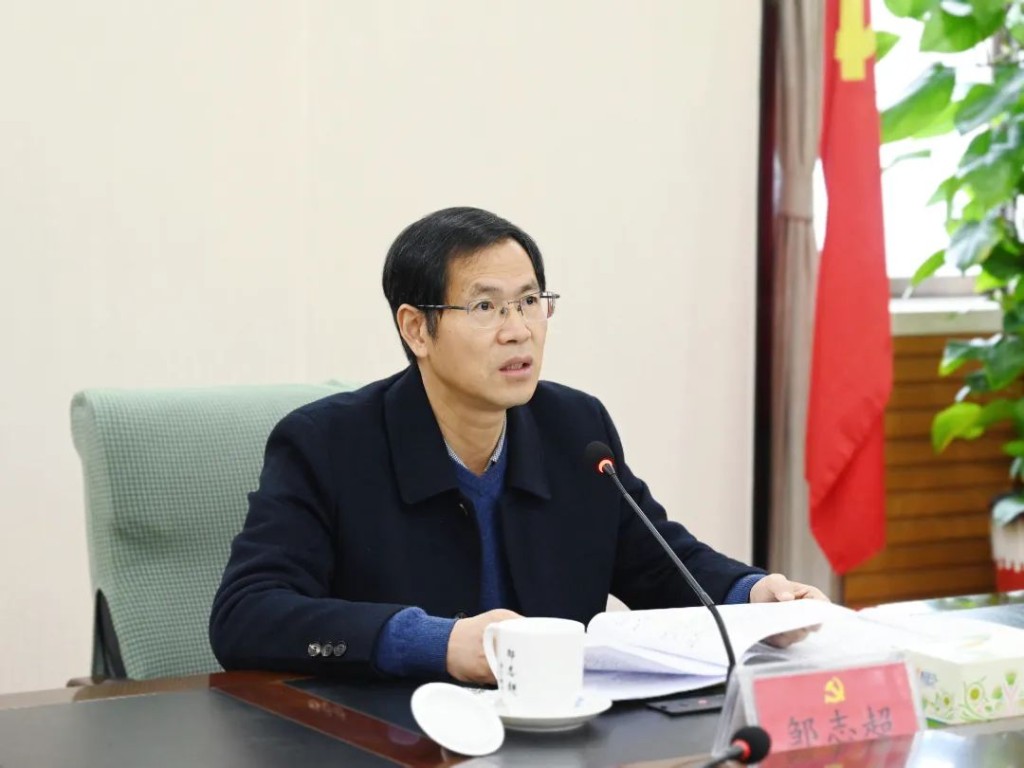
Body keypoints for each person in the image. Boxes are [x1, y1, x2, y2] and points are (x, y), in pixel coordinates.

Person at [209, 206, 826, 684]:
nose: (519, 330)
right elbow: (246, 616)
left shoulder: (574, 428)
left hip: (557, 735)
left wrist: (756, 596)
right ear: (416, 328)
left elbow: (664, 564)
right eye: (486, 307)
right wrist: (436, 643)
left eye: (530, 302)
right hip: (394, 738)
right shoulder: (326, 445)